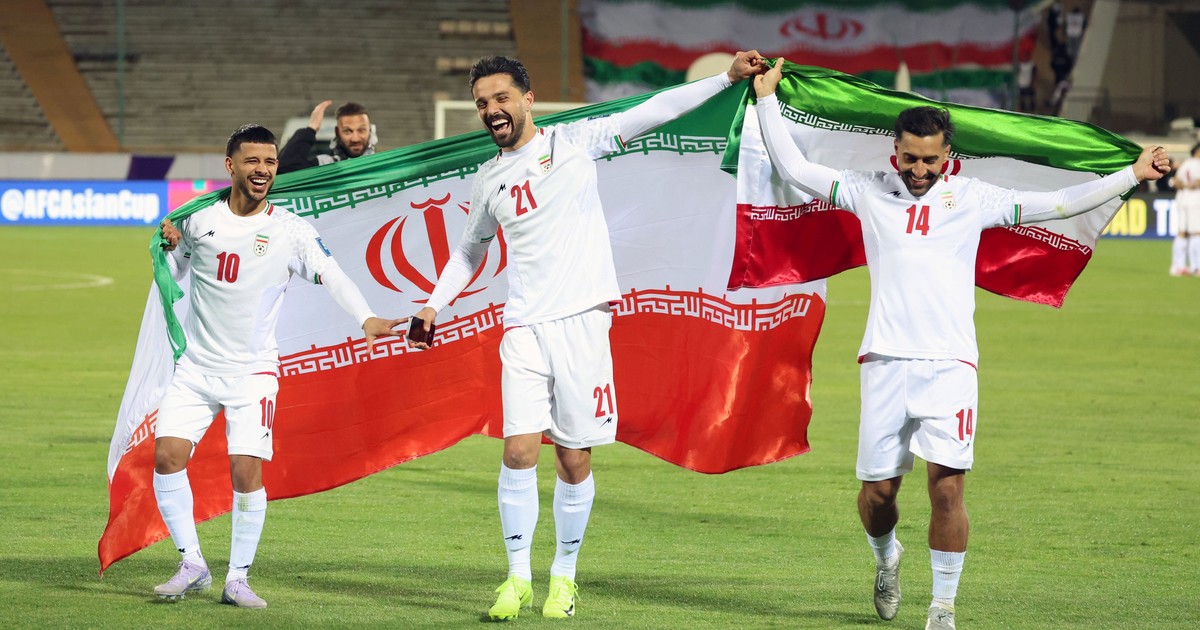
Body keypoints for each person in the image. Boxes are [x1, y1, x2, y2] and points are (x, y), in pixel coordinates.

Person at [751, 60, 1168, 630]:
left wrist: (1131, 174)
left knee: (946, 490)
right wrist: (766, 99)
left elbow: (1061, 203)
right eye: (910, 158)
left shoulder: (974, 198)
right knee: (878, 495)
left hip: (951, 365)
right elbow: (795, 167)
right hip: (884, 361)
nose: (920, 170)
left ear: (947, 155)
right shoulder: (866, 191)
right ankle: (886, 557)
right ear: (895, 152)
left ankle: (943, 608)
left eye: (930, 159)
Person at [407, 52, 765, 620]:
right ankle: (516, 579)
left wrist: (725, 79)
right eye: (481, 103)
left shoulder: (573, 142)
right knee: (518, 451)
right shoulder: (489, 178)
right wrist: (433, 304)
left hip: (582, 321)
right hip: (523, 325)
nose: (491, 110)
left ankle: (564, 578)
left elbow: (653, 111)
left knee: (574, 459)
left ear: (527, 100)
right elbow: (470, 249)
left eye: (501, 98)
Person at [151, 124, 405, 608]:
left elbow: (332, 274)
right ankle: (192, 564)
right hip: (197, 368)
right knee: (167, 457)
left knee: (245, 471)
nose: (263, 170)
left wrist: (366, 317)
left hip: (252, 373)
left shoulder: (290, 230)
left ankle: (237, 579)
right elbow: (179, 271)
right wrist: (171, 244)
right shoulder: (199, 221)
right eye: (253, 161)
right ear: (231, 166)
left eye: (269, 162)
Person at [277, 101, 376, 174]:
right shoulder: (325, 165)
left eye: (361, 130)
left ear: (370, 130)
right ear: (337, 132)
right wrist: (312, 128)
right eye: (347, 131)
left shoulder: (380, 166)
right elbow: (283, 168)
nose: (355, 139)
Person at [1169, 143, 1200, 276]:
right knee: (1196, 233)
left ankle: (1177, 267)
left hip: (1182, 200)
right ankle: (1196, 267)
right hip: (1195, 201)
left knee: (1182, 233)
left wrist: (1185, 185)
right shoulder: (1197, 164)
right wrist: (1191, 184)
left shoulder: (1186, 163)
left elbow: (1175, 182)